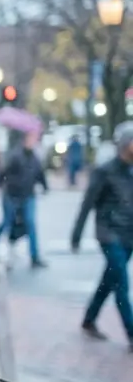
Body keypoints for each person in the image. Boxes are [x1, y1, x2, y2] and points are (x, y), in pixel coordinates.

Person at [71, 122, 133, 350]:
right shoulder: (105, 171)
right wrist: (76, 235)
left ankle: (89, 319)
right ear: (126, 144)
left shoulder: (131, 171)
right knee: (121, 284)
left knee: (110, 280)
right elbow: (87, 204)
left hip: (129, 236)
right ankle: (132, 333)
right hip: (109, 234)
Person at [0, 131, 48, 268]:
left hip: (28, 195)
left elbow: (40, 173)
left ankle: (34, 257)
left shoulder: (34, 158)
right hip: (13, 195)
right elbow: (4, 173)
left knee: (31, 224)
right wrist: (3, 186)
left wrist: (45, 186)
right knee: (8, 223)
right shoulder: (15, 156)